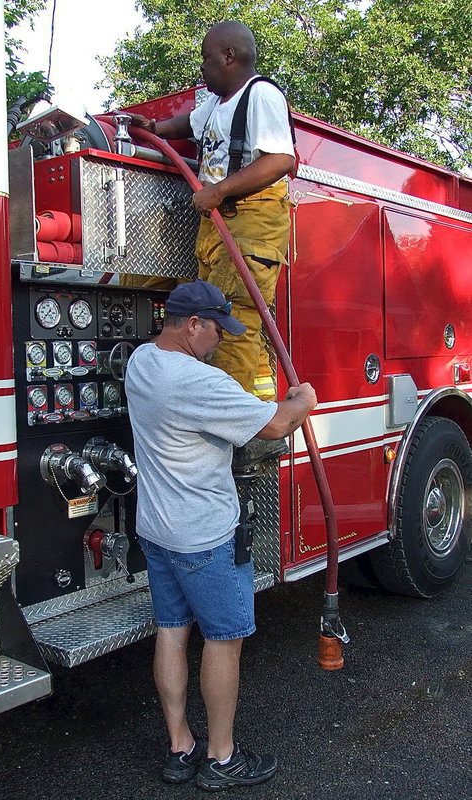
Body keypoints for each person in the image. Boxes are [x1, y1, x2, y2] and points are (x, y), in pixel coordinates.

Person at [125, 279, 317, 791]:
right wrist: (304, 400)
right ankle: (222, 758)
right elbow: (274, 426)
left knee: (170, 631)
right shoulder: (196, 382)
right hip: (205, 536)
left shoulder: (141, 362)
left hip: (157, 531)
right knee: (224, 639)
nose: (222, 340)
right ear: (192, 325)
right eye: (217, 330)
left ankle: (180, 747)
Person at [125, 20, 296, 404]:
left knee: (230, 326)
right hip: (219, 224)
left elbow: (281, 159)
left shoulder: (261, 95)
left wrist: (217, 191)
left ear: (229, 56)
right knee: (205, 318)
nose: (202, 68)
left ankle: (227, 424)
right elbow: (190, 123)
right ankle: (210, 410)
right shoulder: (217, 104)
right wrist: (154, 126)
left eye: (206, 58)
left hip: (251, 220)